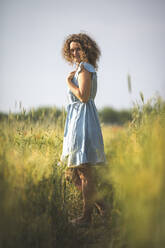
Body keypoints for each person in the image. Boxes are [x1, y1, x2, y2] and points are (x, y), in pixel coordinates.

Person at [60, 33, 106, 226]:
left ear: (86, 49)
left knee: (84, 172)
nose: (75, 52)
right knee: (73, 173)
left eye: (78, 48)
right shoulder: (81, 68)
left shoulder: (85, 68)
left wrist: (69, 83)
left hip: (83, 121)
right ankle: (105, 209)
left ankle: (86, 218)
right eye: (72, 50)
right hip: (77, 121)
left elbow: (84, 97)